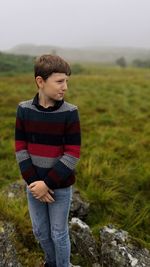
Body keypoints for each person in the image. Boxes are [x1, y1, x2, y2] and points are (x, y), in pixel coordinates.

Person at [15, 54, 81, 267]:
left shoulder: (70, 112)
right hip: (34, 186)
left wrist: (48, 184)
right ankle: (51, 262)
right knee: (41, 231)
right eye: (60, 81)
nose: (65, 87)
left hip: (59, 188)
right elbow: (21, 148)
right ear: (40, 82)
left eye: (67, 82)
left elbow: (72, 154)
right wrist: (35, 184)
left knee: (58, 233)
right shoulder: (24, 109)